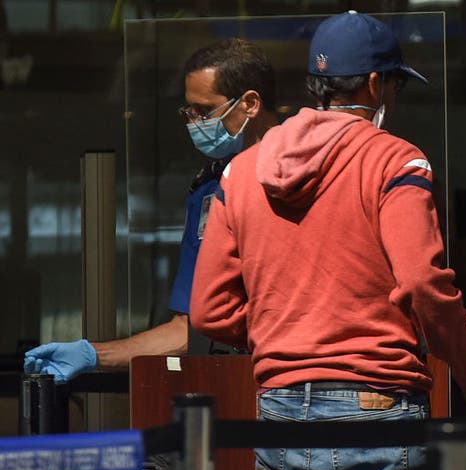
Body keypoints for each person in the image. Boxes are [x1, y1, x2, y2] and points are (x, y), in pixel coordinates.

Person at [188, 11, 466, 470]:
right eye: (396, 89)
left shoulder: (239, 172)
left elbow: (207, 311)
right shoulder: (396, 161)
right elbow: (423, 283)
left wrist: (290, 330)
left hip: (279, 407)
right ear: (379, 85)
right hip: (376, 404)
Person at [22, 38, 280, 383]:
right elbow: (188, 329)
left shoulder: (309, 176)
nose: (194, 123)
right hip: (236, 384)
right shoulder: (209, 190)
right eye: (190, 111)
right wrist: (93, 353)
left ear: (250, 103)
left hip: (310, 381)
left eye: (205, 111)